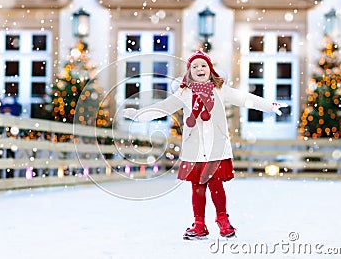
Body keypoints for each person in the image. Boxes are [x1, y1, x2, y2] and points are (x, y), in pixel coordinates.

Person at [123, 50, 287, 240]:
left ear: (210, 70)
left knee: (216, 185)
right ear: (189, 72)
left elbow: (244, 98)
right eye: (195, 66)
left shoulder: (220, 89)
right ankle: (199, 224)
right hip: (194, 149)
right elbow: (163, 108)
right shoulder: (184, 94)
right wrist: (138, 115)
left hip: (216, 147)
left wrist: (269, 105)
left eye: (204, 66)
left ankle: (222, 219)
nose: (200, 69)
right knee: (197, 187)